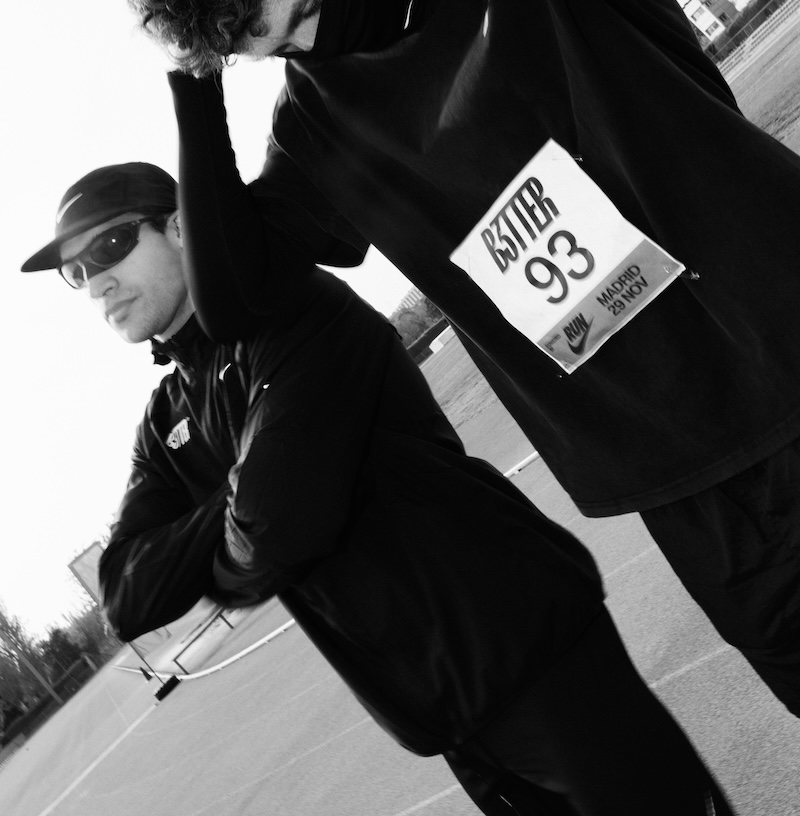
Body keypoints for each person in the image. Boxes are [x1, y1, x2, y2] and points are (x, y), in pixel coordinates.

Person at [117, 0, 800, 717]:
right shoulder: (318, 123)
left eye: (307, 4)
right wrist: (193, 80)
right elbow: (233, 298)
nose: (312, 42)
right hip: (694, 494)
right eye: (276, 45)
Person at [21, 163, 734, 815]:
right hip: (439, 717)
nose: (97, 282)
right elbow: (126, 595)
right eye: (76, 273)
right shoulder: (165, 419)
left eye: (110, 245)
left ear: (181, 225)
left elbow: (275, 533)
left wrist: (235, 531)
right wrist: (238, 497)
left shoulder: (289, 306)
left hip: (530, 648)